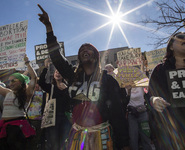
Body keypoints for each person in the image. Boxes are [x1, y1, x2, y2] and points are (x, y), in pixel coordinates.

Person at [37, 4, 130, 150]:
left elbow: (117, 113)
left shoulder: (107, 80)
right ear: (79, 58)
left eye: (89, 49)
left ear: (97, 56)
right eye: (82, 50)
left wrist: (125, 143)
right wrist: (49, 28)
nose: (85, 50)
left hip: (102, 136)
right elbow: (56, 57)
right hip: (77, 135)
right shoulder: (73, 77)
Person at [148, 32, 185, 149]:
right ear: (171, 46)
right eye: (180, 37)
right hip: (173, 133)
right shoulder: (160, 69)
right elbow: (150, 94)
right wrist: (154, 100)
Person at [0, 54, 37, 150]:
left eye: (13, 81)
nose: (10, 83)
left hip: (18, 130)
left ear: (21, 82)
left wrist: (27, 63)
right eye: (9, 81)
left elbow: (34, 78)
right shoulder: (8, 92)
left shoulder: (27, 94)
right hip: (5, 128)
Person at [39, 58, 72, 150]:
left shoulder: (69, 88)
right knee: (54, 143)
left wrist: (66, 90)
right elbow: (41, 82)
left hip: (66, 118)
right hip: (52, 119)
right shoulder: (51, 87)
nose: (58, 73)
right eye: (56, 71)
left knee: (65, 143)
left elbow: (71, 102)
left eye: (60, 72)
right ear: (53, 75)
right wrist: (46, 67)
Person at [125, 85, 152, 150]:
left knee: (145, 136)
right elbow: (124, 100)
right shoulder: (126, 86)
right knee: (133, 137)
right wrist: (128, 92)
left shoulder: (142, 84)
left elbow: (147, 93)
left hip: (142, 112)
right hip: (132, 114)